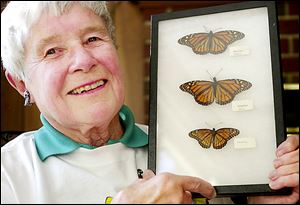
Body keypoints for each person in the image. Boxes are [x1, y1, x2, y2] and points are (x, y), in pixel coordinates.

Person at [1, 1, 298, 204]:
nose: (84, 61)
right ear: (21, 82)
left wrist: (263, 196)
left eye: (93, 39)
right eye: (53, 50)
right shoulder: (8, 174)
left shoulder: (185, 148)